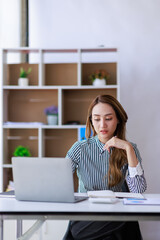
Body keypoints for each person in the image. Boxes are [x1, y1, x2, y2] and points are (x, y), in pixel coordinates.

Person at [63, 94, 147, 240]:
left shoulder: (130, 149)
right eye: (96, 119)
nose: (102, 125)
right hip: (86, 217)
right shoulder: (80, 148)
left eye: (108, 118)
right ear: (91, 121)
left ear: (118, 120)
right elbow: (58, 180)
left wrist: (127, 148)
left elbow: (138, 191)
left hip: (115, 214)